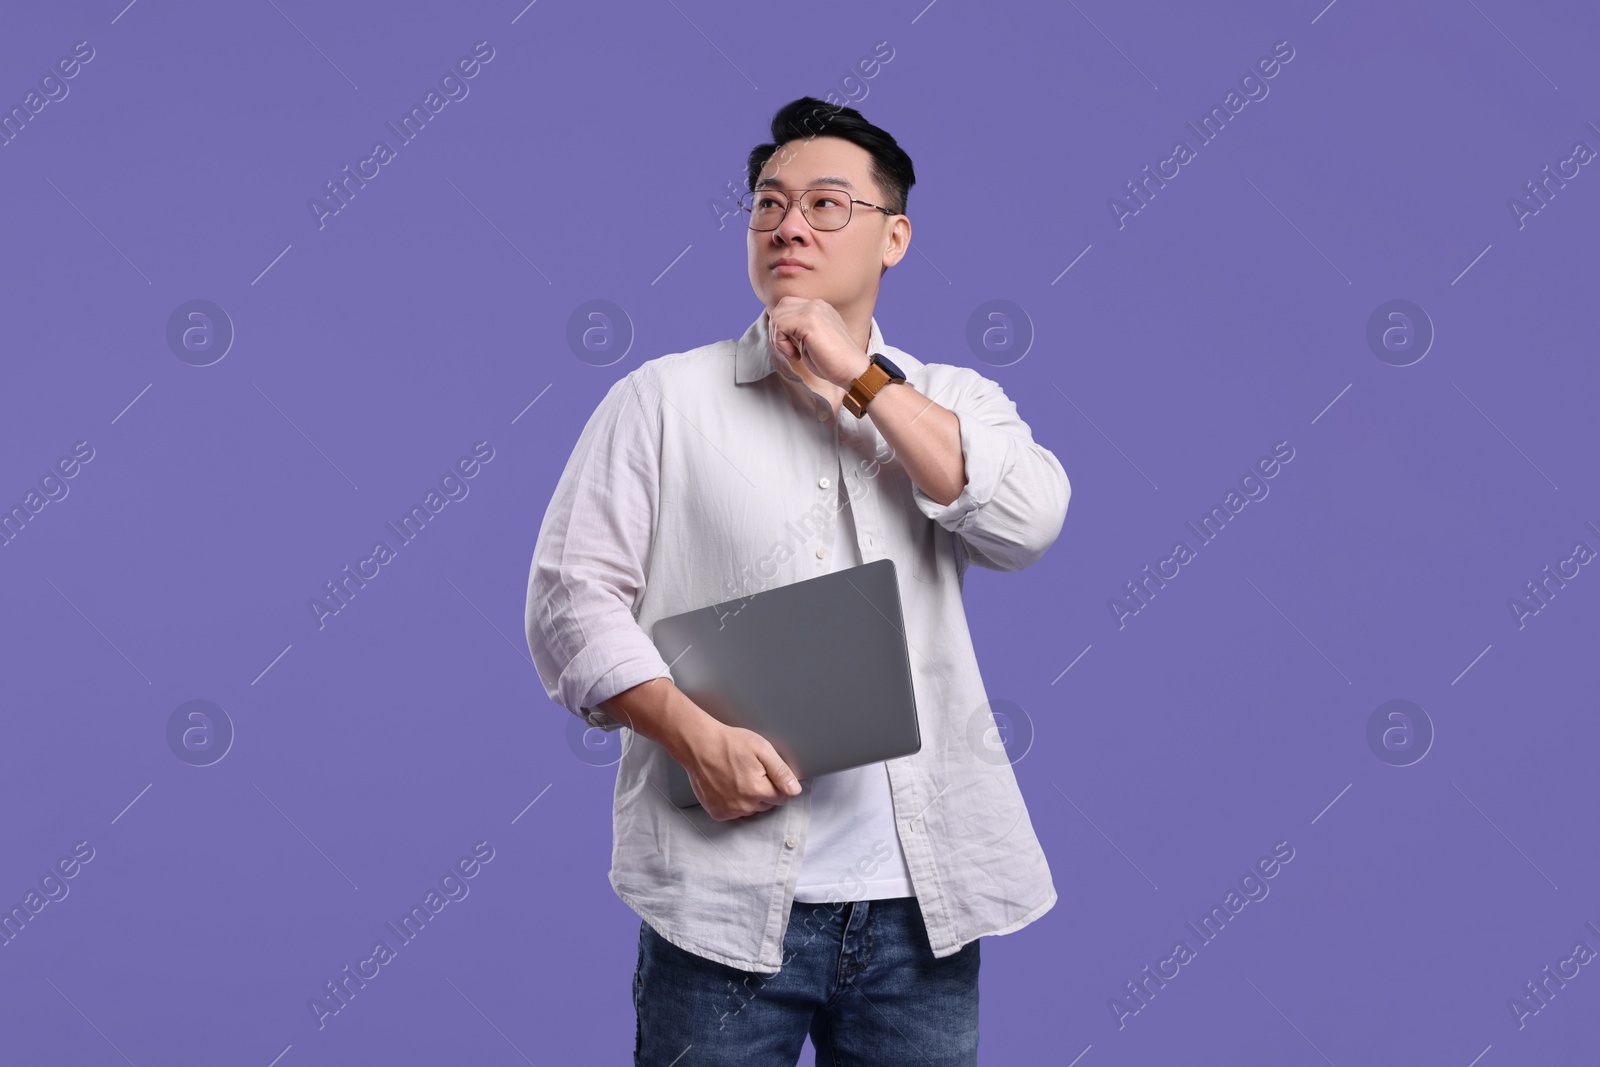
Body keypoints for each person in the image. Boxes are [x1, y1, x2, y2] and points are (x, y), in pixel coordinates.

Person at [525, 96, 1070, 1067]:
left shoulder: (953, 400)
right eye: (768, 204)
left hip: (920, 908)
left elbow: (1026, 521)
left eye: (826, 204)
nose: (787, 225)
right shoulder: (660, 400)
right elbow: (570, 603)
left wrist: (861, 377)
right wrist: (692, 735)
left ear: (893, 236)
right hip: (720, 903)